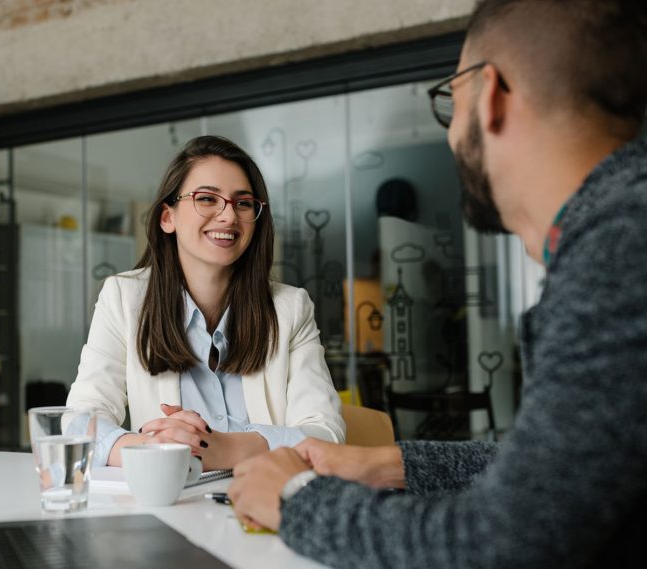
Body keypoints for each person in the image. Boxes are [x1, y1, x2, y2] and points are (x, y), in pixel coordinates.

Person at [228, 0, 647, 566]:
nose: (451, 139)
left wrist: (294, 499)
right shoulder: (618, 229)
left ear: (491, 94)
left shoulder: (620, 245)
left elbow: (498, 544)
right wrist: (386, 464)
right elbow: (558, 474)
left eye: (451, 102)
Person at [66, 135, 345, 471]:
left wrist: (229, 448)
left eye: (243, 203)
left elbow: (326, 435)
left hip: (267, 502)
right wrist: (155, 447)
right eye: (207, 199)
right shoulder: (123, 299)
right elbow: (80, 422)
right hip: (172, 504)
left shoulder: (291, 309)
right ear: (167, 218)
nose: (228, 216)